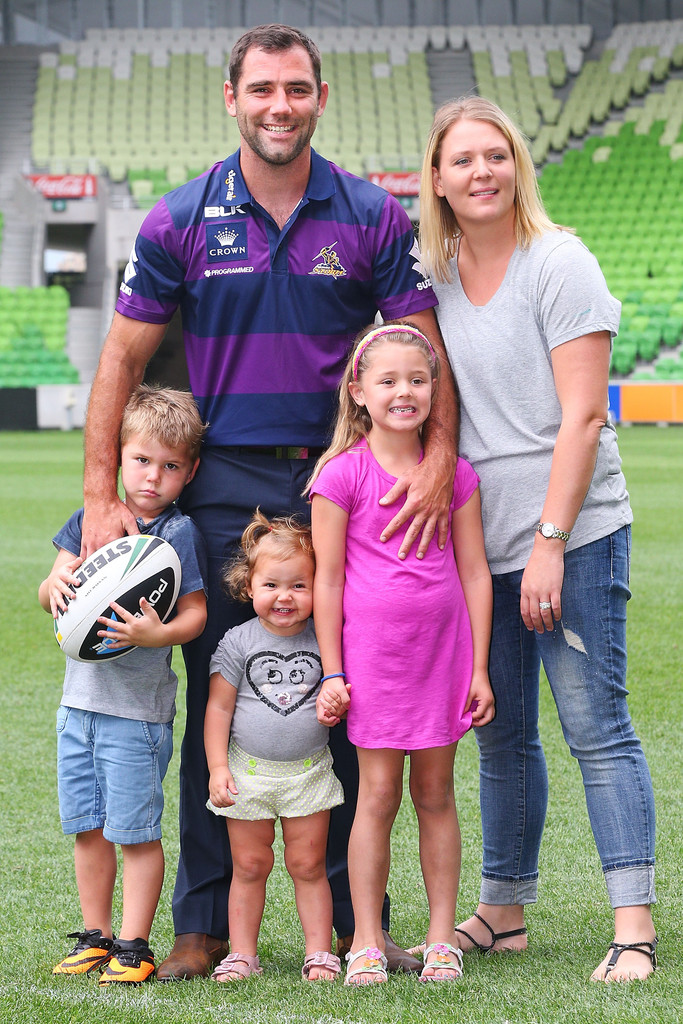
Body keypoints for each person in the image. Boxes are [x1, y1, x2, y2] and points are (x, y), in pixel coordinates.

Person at [79, 24, 458, 980]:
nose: (278, 106)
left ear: (320, 98)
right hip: (221, 487)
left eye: (296, 89)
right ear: (231, 97)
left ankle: (334, 927)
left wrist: (436, 454)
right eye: (261, 90)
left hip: (338, 485)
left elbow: (423, 347)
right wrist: (97, 495)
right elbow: (122, 360)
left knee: (336, 686)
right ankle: (206, 925)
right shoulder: (176, 217)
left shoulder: (370, 213)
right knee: (224, 692)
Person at [419, 96, 658, 983]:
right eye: (461, 160)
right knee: (500, 732)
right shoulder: (431, 275)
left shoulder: (559, 261)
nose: (481, 172)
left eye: (495, 156)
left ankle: (630, 924)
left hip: (575, 534)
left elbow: (585, 415)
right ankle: (502, 909)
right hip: (482, 545)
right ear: (436, 181)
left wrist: (552, 541)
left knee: (595, 726)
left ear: (517, 164)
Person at [307, 322, 495, 984]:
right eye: (386, 381)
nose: (403, 392)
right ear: (357, 391)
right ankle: (364, 936)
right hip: (372, 665)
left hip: (440, 661)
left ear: (434, 389)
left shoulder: (455, 475)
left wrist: (476, 666)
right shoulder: (339, 476)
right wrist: (332, 669)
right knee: (377, 795)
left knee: (436, 793)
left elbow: (473, 572)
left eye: (416, 380)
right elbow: (326, 581)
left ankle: (441, 938)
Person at [39, 385, 208, 985]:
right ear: (118, 457)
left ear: (188, 472)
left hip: (136, 714)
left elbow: (194, 614)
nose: (152, 477)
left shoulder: (178, 534)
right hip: (77, 705)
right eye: (141, 460)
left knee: (133, 830)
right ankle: (96, 935)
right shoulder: (94, 518)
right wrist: (53, 588)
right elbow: (55, 580)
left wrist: (153, 634)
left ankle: (134, 945)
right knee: (86, 826)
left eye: (169, 467)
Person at [204, 510, 344, 983]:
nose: (285, 596)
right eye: (272, 585)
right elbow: (219, 710)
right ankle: (242, 953)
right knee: (249, 864)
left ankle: (319, 952)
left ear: (317, 586)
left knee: (308, 864)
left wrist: (333, 705)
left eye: (299, 586)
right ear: (249, 587)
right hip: (248, 773)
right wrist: (217, 767)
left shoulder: (327, 640)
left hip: (309, 772)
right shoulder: (236, 642)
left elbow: (337, 691)